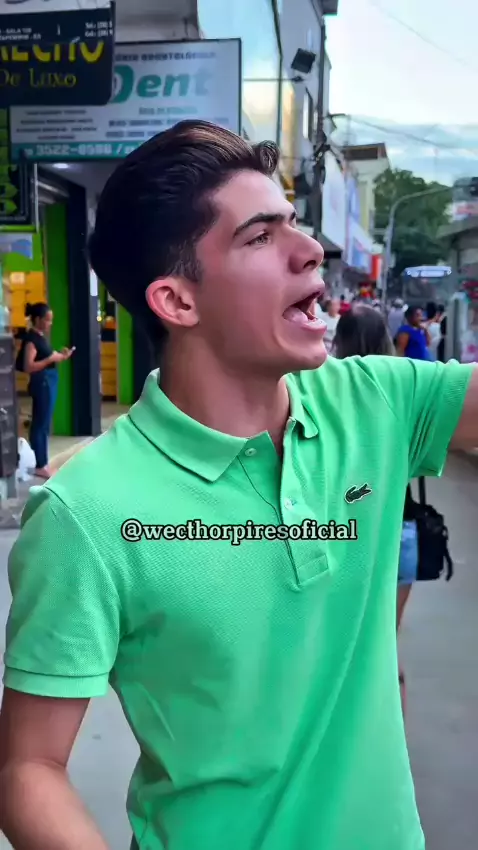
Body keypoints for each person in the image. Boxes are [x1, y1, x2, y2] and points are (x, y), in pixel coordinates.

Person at [1, 120, 478, 850]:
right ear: (177, 302)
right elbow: (27, 767)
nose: (309, 249)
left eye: (293, 223)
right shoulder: (86, 511)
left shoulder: (377, 402)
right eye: (260, 236)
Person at [334, 303, 415, 714]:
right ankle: (393, 739)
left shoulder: (326, 393)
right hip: (401, 532)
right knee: (386, 645)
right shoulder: (403, 393)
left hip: (349, 535)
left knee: (343, 650)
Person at [18, 302, 75, 479]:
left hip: (48, 381)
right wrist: (50, 359)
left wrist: (60, 356)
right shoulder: (31, 340)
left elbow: (46, 358)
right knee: (40, 424)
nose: (50, 323)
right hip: (42, 383)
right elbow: (29, 366)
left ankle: (42, 462)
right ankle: (40, 464)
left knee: (43, 422)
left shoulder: (40, 338)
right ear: (37, 320)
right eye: (47, 320)